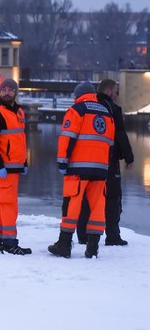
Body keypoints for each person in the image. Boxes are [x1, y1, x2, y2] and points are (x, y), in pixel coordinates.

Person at [48, 81, 115, 259]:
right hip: (100, 169)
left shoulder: (77, 109)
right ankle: (92, 248)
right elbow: (110, 143)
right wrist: (104, 164)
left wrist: (63, 162)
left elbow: (67, 138)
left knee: (72, 205)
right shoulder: (106, 112)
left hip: (78, 167)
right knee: (98, 206)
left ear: (78, 95)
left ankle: (64, 245)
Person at [76, 78, 134, 246]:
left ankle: (83, 235)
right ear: (109, 91)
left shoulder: (88, 107)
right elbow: (120, 134)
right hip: (109, 160)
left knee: (87, 198)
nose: (117, 94)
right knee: (113, 198)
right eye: (116, 90)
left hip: (87, 160)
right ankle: (112, 236)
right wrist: (129, 157)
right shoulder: (112, 108)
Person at [0, 78, 31, 255]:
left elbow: (20, 139)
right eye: (3, 90)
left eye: (10, 90)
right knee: (9, 204)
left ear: (15, 92)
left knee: (1, 204)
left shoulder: (18, 112)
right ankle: (10, 242)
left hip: (14, 166)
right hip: (3, 166)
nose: (6, 93)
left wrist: (24, 162)